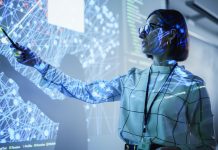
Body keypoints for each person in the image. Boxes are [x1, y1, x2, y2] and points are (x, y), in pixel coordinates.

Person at [10, 9, 216, 150]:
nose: (141, 34)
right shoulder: (132, 79)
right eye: (141, 29)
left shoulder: (192, 86)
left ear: (170, 36)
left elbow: (207, 144)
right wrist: (37, 63)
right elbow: (85, 92)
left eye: (150, 28)